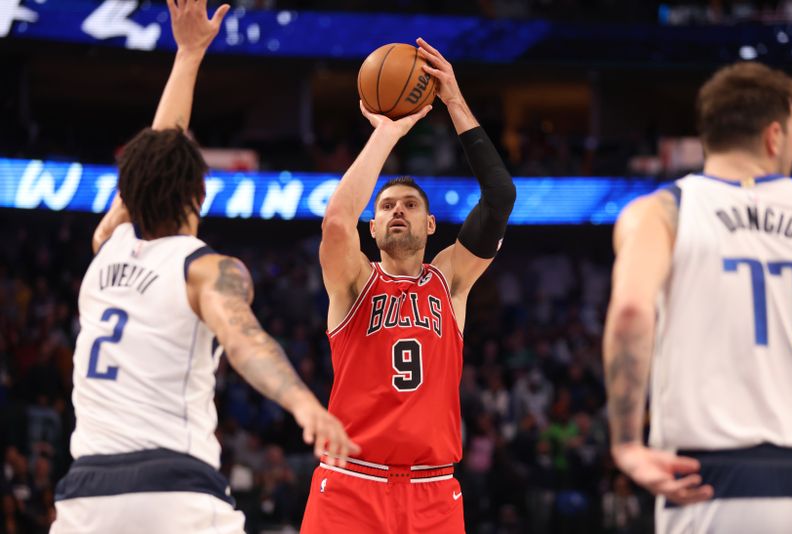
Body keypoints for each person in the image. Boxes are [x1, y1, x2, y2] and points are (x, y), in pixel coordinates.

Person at [50, 2, 358, 533]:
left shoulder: (106, 248)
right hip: (174, 493)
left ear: (129, 193)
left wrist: (189, 54)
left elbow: (156, 155)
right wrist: (305, 405)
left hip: (84, 500)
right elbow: (245, 343)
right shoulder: (204, 269)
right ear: (200, 192)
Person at [300, 38, 516, 533]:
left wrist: (454, 100)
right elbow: (335, 224)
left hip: (434, 491)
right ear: (372, 229)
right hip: (351, 484)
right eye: (386, 206)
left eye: (410, 205)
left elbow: (500, 195)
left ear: (432, 225)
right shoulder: (354, 281)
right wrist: (388, 133)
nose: (398, 209)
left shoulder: (451, 280)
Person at [603, 61, 792, 533]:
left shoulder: (660, 212)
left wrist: (627, 444)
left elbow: (631, 310)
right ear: (775, 136)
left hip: (703, 480)